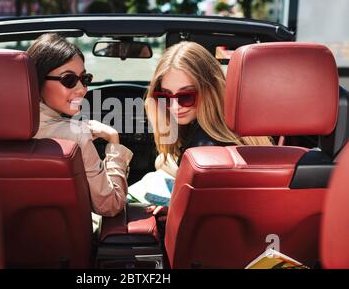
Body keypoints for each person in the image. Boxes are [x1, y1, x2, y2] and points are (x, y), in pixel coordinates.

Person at [128, 41, 272, 207]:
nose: (175, 107)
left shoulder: (204, 150)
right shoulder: (240, 127)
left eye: (186, 96)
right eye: (166, 97)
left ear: (210, 90)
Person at [27, 33, 133, 218]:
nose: (82, 89)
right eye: (68, 80)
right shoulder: (76, 136)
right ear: (37, 79)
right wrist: (114, 140)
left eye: (85, 79)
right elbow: (110, 205)